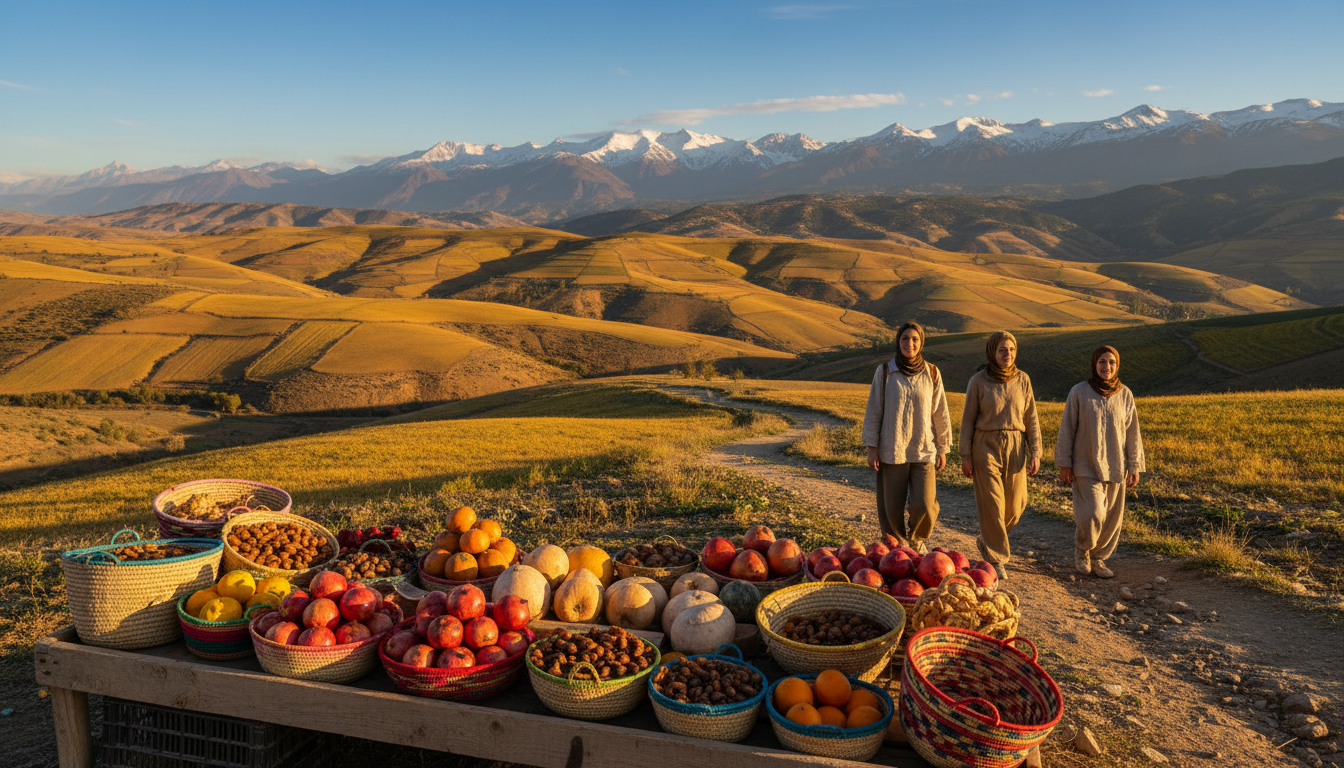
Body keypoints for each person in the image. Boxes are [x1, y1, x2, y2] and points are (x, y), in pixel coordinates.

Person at [862, 321, 952, 553]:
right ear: (898, 341)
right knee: (891, 507)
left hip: (923, 449)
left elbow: (940, 411)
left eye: (914, 339)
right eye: (905, 338)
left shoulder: (932, 372)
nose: (909, 343)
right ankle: (897, 548)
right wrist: (872, 447)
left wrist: (942, 447)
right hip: (892, 448)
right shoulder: (885, 371)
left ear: (921, 343)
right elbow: (874, 409)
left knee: (925, 504)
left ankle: (916, 539)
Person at [1056, 345, 1145, 578]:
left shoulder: (1125, 394)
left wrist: (1134, 465)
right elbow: (1067, 428)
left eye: (1112, 362)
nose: (1107, 367)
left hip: (1116, 464)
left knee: (1112, 519)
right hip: (1085, 464)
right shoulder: (1079, 392)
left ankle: (1098, 559)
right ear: (1095, 364)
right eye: (1103, 362)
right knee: (1093, 513)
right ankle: (1083, 550)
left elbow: (1132, 432)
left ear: (1118, 366)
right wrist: (1065, 463)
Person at [959, 331, 1041, 581]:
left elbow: (1032, 418)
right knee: (992, 503)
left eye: (1012, 349)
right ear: (992, 352)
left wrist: (1036, 450)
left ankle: (987, 539)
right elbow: (968, 421)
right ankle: (997, 558)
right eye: (1002, 350)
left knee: (1017, 504)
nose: (1008, 354)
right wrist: (965, 455)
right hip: (985, 444)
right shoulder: (978, 381)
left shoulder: (1023, 380)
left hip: (1016, 444)